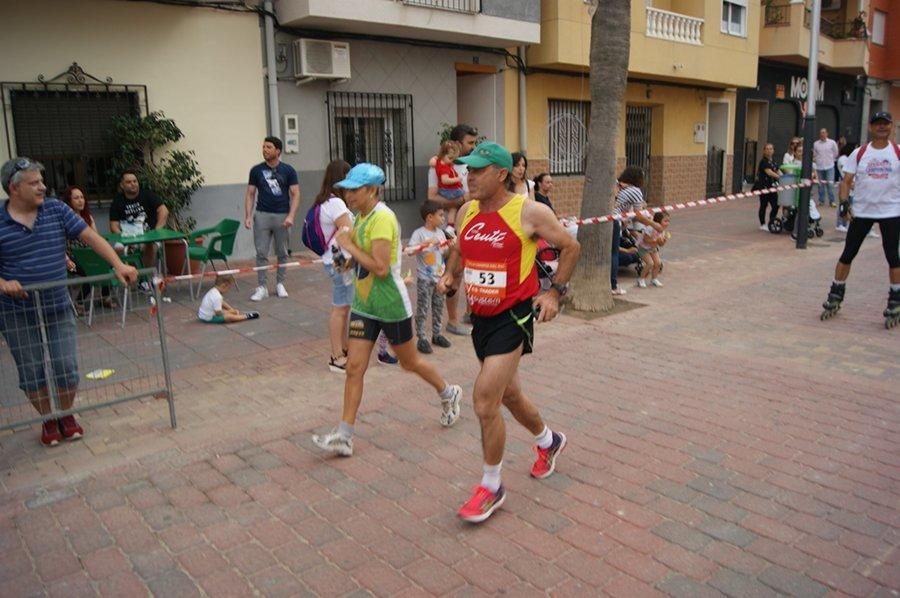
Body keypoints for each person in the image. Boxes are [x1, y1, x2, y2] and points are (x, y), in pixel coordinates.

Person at [437, 142, 580, 523]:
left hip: (512, 317)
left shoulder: (528, 211)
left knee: (485, 400)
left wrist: (554, 294)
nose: (469, 176)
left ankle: (491, 485)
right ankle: (550, 441)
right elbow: (461, 248)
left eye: (478, 170)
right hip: (480, 319)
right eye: (468, 169)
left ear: (501, 174)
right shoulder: (467, 210)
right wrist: (452, 274)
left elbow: (571, 245)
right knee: (510, 396)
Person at [312, 163, 463, 457]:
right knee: (354, 368)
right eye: (346, 189)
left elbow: (381, 268)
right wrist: (344, 260)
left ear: (371, 190)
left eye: (354, 189)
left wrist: (348, 246)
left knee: (410, 363)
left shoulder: (383, 218)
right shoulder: (359, 217)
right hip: (364, 304)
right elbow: (358, 258)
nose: (348, 194)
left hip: (391, 304)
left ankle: (448, 391)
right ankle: (344, 435)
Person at [0, 158, 138, 446]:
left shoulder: (56, 209)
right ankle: (47, 419)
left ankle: (66, 413)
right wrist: (3, 284)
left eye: (42, 180)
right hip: (16, 311)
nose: (43, 186)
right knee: (32, 371)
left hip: (57, 304)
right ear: (14, 188)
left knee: (66, 367)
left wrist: (118, 264)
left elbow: (90, 237)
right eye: (34, 182)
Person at [821, 112, 900, 325]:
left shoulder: (898, 152)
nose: (882, 128)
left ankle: (895, 299)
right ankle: (835, 292)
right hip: (862, 211)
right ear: (871, 128)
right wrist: (844, 204)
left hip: (891, 212)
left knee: (893, 257)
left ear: (891, 127)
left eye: (886, 124)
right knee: (848, 253)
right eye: (878, 124)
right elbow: (846, 181)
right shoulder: (860, 152)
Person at [427, 124, 479, 336]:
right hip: (449, 229)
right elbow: (432, 198)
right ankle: (452, 321)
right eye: (470, 143)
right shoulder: (437, 166)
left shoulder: (473, 164)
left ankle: (470, 313)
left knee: (470, 270)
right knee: (454, 271)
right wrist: (461, 200)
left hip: (472, 224)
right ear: (457, 144)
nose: (473, 147)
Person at [244, 136, 300, 301]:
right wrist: (248, 216)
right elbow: (250, 194)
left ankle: (280, 283)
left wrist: (291, 215)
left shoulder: (288, 171)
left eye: (268, 147)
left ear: (277, 151)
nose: (265, 150)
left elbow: (296, 194)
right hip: (262, 215)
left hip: (282, 216)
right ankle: (262, 287)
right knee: (261, 252)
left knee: (282, 252)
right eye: (263, 147)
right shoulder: (256, 170)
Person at [313, 159, 355, 372]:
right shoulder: (336, 203)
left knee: (345, 305)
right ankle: (336, 356)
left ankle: (344, 348)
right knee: (340, 307)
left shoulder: (324, 201)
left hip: (334, 258)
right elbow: (348, 231)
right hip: (340, 260)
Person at [611, 167, 662, 296]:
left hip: (608, 219)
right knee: (613, 254)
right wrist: (654, 224)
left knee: (610, 252)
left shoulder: (619, 185)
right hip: (615, 222)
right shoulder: (635, 190)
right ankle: (613, 285)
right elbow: (638, 215)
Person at [62, 186, 114, 311]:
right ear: (69, 201)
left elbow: (96, 238)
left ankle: (105, 297)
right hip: (71, 260)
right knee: (90, 270)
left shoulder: (88, 218)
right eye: (76, 198)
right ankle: (79, 302)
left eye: (82, 197)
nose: (80, 201)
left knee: (107, 264)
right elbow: (60, 244)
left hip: (89, 255)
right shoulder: (64, 220)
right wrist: (67, 260)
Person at [409, 200, 451, 354]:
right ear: (429, 217)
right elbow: (410, 251)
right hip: (425, 279)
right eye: (440, 215)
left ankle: (437, 334)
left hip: (439, 278)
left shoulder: (440, 233)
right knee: (423, 307)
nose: (443, 218)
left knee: (439, 306)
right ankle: (421, 337)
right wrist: (425, 243)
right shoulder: (419, 233)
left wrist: (446, 247)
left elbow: (444, 253)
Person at [109, 170, 169, 267]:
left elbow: (164, 211)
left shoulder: (147, 195)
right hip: (128, 237)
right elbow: (113, 226)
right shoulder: (117, 201)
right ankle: (131, 276)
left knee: (149, 246)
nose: (133, 184)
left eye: (135, 181)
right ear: (122, 185)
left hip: (149, 236)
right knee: (118, 250)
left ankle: (146, 277)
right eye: (128, 182)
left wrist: (157, 231)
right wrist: (124, 238)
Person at [634, 211, 671, 288]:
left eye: (668, 221)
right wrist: (656, 240)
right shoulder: (650, 228)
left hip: (652, 248)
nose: (667, 223)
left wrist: (663, 241)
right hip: (643, 248)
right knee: (650, 263)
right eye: (665, 221)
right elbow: (645, 240)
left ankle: (654, 279)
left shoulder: (662, 231)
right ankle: (641, 279)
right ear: (658, 221)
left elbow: (661, 245)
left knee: (658, 263)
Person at [434, 140, 464, 227]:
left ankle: (450, 226)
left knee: (453, 208)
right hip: (450, 191)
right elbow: (445, 180)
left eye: (453, 159)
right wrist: (457, 179)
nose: (451, 161)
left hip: (446, 190)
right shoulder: (444, 168)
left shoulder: (439, 162)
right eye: (450, 158)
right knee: (468, 197)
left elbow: (433, 161)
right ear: (443, 155)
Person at [754, 143, 781, 231]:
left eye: (771, 149)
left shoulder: (773, 161)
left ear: (773, 151)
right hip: (764, 187)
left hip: (772, 187)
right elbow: (769, 172)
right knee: (763, 205)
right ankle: (762, 224)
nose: (769, 151)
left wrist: (785, 177)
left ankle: (771, 221)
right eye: (767, 149)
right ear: (764, 151)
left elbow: (778, 170)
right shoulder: (763, 162)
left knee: (776, 205)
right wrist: (779, 177)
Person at [813, 128, 839, 207]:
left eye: (824, 133)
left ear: (827, 134)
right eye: (821, 133)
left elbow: (836, 152)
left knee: (830, 184)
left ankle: (832, 201)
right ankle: (821, 201)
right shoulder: (816, 144)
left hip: (829, 166)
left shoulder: (832, 143)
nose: (822, 134)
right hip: (819, 167)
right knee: (820, 185)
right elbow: (814, 153)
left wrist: (831, 160)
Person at [835, 143, 857, 233]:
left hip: (852, 185)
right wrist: (851, 183)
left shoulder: (848, 158)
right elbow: (844, 173)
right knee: (844, 204)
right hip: (847, 186)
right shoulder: (843, 159)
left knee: (850, 204)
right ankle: (840, 223)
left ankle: (845, 223)